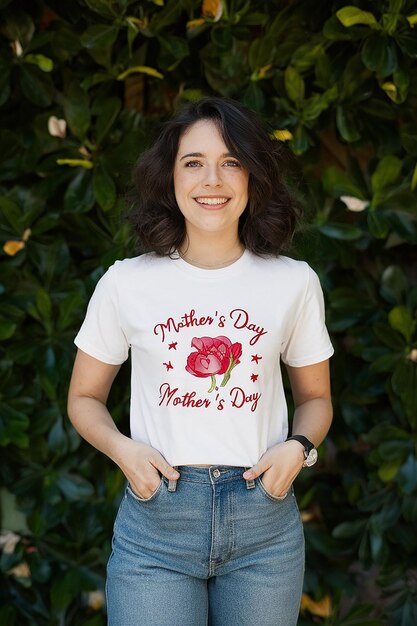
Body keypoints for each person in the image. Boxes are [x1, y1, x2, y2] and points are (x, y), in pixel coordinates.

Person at [67, 96, 334, 626]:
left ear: (253, 177)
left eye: (231, 161)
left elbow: (317, 398)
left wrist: (298, 450)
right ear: (170, 179)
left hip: (265, 524)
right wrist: (123, 451)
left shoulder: (293, 281)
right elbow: (83, 398)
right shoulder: (126, 282)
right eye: (194, 163)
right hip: (157, 522)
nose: (212, 179)